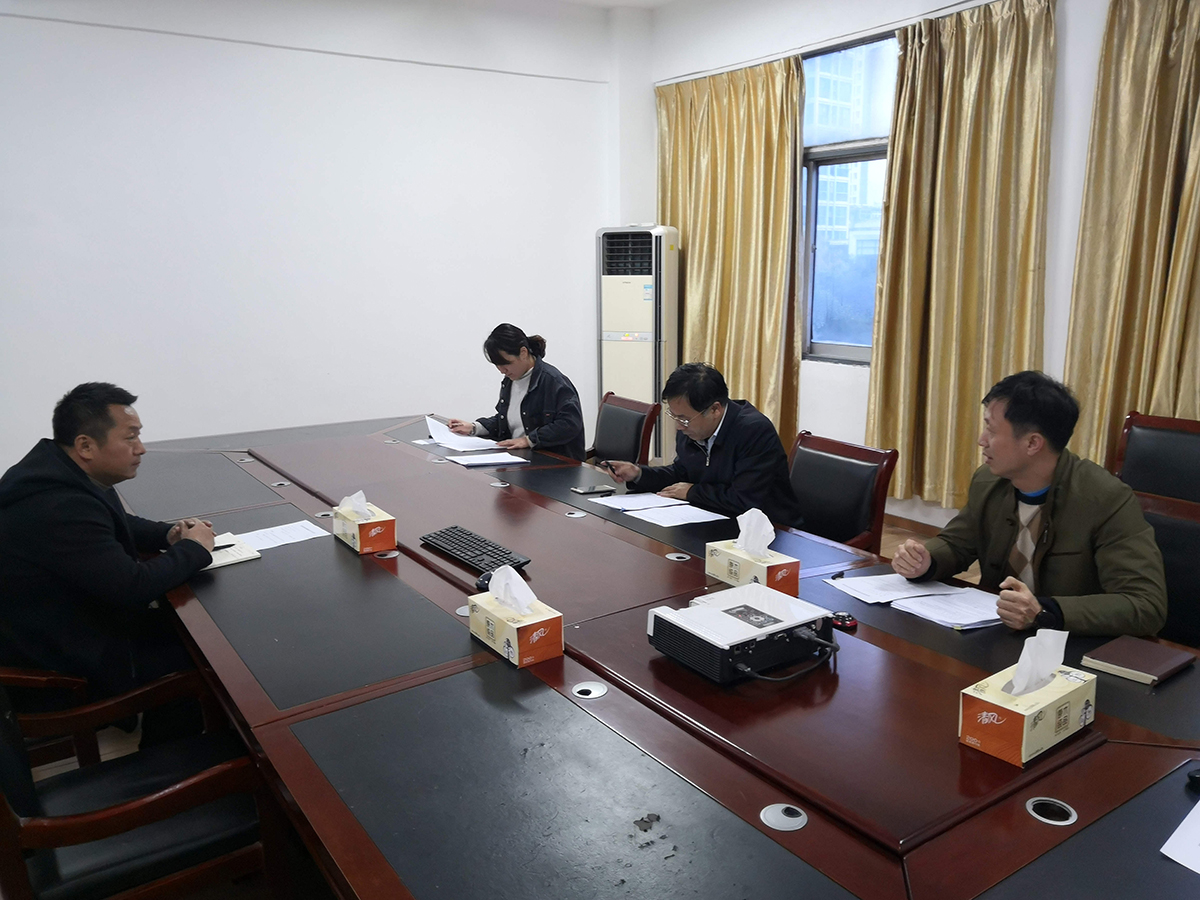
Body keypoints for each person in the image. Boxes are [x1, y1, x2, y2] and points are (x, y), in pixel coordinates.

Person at [0, 383, 216, 745]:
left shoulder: (57, 473)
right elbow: (131, 586)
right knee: (197, 656)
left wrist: (169, 534)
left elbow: (111, 522)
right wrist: (194, 550)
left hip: (65, 626)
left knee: (189, 633)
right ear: (86, 446)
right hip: (60, 665)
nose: (141, 448)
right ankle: (168, 762)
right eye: (130, 437)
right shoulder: (58, 505)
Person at [891, 371, 1167, 637]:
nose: (981, 441)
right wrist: (926, 561)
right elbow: (958, 544)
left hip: (1068, 645)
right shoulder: (988, 481)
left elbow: (1145, 605)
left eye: (991, 430)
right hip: (995, 634)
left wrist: (1046, 612)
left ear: (1033, 443)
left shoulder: (1106, 499)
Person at [604, 363, 803, 526]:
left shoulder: (754, 431)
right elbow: (681, 474)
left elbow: (745, 500)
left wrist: (692, 492)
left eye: (684, 419)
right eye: (675, 416)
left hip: (770, 533)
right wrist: (639, 473)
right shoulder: (692, 427)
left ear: (715, 409)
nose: (679, 426)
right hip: (715, 520)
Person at [448, 323, 586, 460]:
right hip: (520, 458)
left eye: (506, 363)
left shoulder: (553, 381)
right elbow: (507, 419)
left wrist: (529, 440)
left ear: (523, 353)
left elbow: (570, 424)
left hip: (553, 461)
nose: (502, 370)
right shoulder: (511, 380)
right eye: (497, 365)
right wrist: (475, 427)